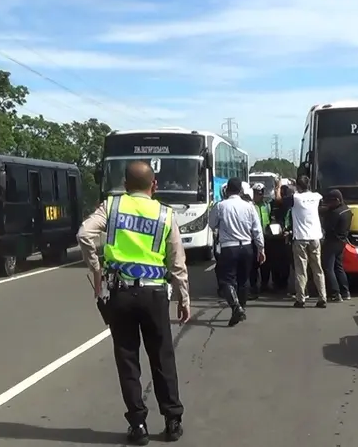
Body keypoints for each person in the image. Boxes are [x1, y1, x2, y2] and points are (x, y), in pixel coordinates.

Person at [77, 161, 189, 445]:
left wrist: (97, 269)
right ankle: (172, 420)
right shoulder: (165, 214)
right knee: (162, 356)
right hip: (154, 295)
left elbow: (84, 234)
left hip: (121, 294)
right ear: (155, 185)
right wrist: (183, 297)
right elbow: (177, 261)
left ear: (125, 186)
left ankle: (138, 424)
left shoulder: (112, 207)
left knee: (128, 359)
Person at [208, 177, 265, 326]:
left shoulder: (220, 206)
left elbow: (211, 224)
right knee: (243, 280)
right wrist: (261, 248)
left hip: (229, 247)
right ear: (240, 190)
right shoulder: (249, 207)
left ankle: (236, 307)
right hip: (246, 246)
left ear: (227, 190)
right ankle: (241, 308)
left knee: (226, 280)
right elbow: (257, 230)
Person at [274, 175, 327, 308]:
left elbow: (278, 200)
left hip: (300, 238)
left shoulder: (295, 198)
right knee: (317, 268)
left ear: (298, 186)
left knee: (301, 269)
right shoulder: (317, 196)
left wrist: (278, 186)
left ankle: (301, 298)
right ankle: (322, 297)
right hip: (315, 236)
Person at [321, 189, 352, 302]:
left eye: (330, 201)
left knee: (328, 268)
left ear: (337, 200)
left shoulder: (335, 213)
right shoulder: (347, 210)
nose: (328, 204)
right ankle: (345, 292)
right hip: (342, 241)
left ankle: (335, 293)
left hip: (332, 241)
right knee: (339, 267)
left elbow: (327, 227)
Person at [249, 182, 272, 295]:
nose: (260, 195)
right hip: (252, 239)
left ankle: (265, 284)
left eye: (261, 193)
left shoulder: (266, 205)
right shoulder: (250, 206)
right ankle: (253, 286)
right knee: (253, 264)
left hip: (265, 237)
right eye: (258, 193)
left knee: (265, 263)